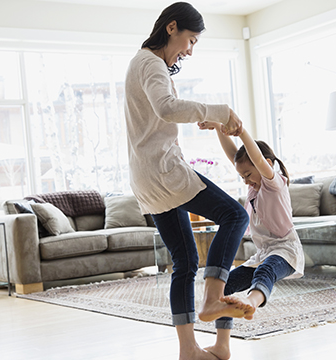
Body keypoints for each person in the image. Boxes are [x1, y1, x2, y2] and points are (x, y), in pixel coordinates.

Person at [124, 2, 253, 359]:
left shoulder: (143, 63)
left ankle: (189, 350)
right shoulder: (150, 63)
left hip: (146, 177)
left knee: (184, 262)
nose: (190, 50)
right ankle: (213, 298)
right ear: (172, 28)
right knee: (236, 216)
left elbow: (162, 113)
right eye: (191, 40)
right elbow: (166, 108)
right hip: (164, 172)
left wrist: (203, 118)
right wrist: (219, 111)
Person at [196, 122, 305, 360]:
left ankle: (252, 301)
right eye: (242, 176)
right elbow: (235, 155)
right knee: (225, 287)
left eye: (248, 175)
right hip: (264, 253)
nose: (246, 181)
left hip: (286, 250)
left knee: (265, 271)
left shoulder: (273, 182)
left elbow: (253, 155)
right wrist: (217, 128)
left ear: (264, 165)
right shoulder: (255, 186)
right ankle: (222, 345)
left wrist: (243, 132)